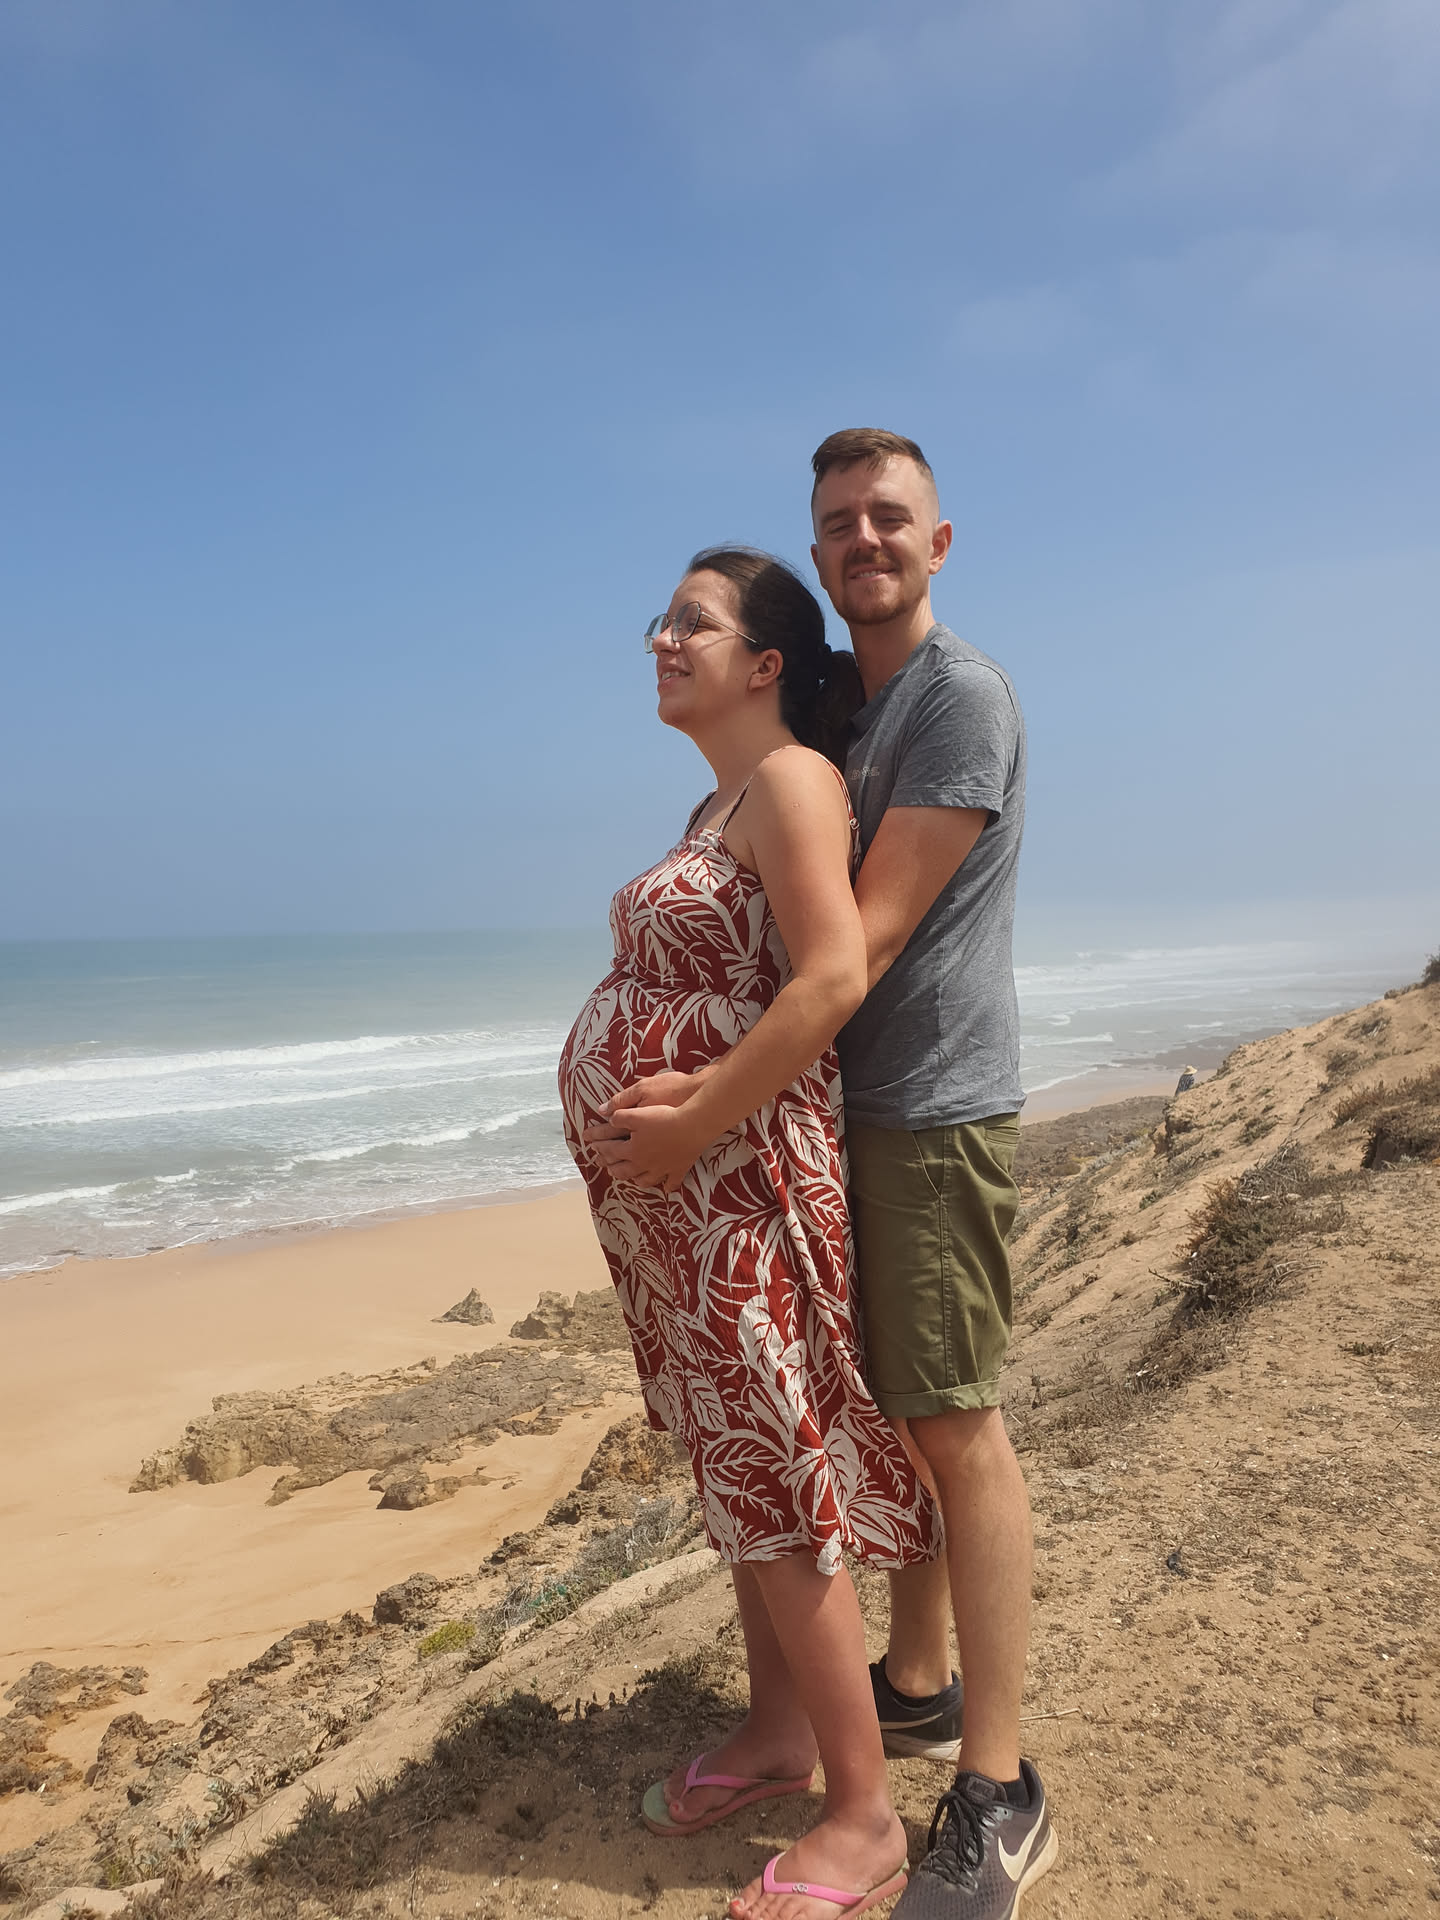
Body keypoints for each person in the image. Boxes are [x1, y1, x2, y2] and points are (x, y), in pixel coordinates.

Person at [600, 436, 1058, 1920]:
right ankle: (913, 1682)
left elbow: (855, 944)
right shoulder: (854, 714)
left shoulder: (955, 699)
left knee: (950, 1420)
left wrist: (702, 1106)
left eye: (888, 517)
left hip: (924, 1108)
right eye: (839, 522)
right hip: (833, 1119)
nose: (864, 538)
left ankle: (995, 1786)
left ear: (939, 540)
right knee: (881, 1415)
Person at [560, 546, 942, 1920]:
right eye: (662, 619)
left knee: (780, 1477)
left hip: (742, 1191)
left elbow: (831, 975)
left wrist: (694, 1120)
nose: (663, 639)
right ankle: (780, 1735)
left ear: (766, 661)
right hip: (687, 1202)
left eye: (695, 622)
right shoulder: (715, 799)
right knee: (739, 1471)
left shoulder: (790, 781)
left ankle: (864, 1815)